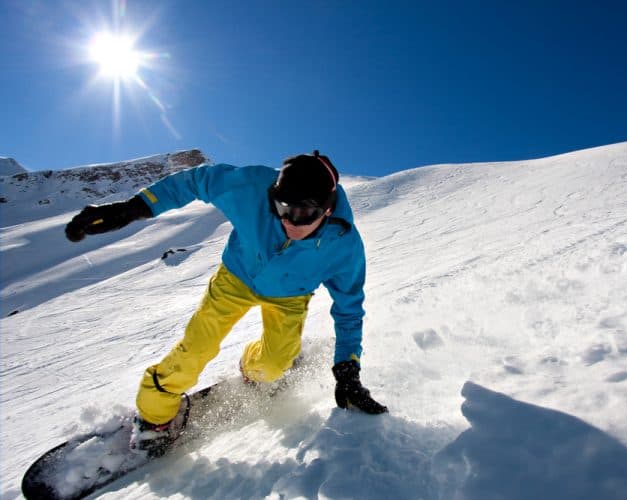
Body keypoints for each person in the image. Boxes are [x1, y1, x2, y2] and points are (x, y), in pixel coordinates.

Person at [65, 150, 387, 456]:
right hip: (235, 279)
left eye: (303, 213)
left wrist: (348, 368)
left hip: (289, 298)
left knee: (274, 366)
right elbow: (197, 180)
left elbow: (349, 309)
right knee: (196, 349)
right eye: (282, 207)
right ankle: (156, 417)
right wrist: (136, 207)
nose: (289, 220)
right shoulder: (251, 187)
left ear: (327, 209)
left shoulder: (344, 247)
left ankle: (252, 367)